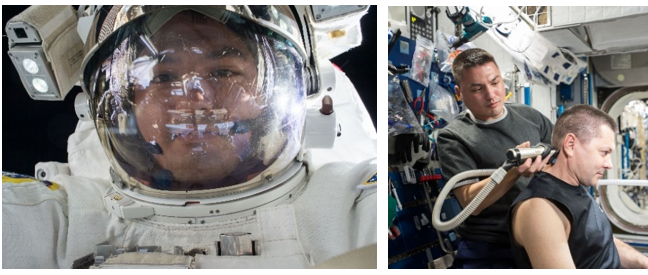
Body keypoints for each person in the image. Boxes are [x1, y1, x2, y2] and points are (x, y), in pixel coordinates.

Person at [2, 7, 376, 268]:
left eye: (225, 71)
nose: (194, 95)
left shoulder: (348, 209)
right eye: (162, 78)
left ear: (275, 92)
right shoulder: (63, 224)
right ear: (126, 108)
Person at [436, 48, 554, 268]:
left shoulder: (530, 117)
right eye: (477, 89)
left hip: (538, 233)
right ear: (459, 93)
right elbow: (471, 203)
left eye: (495, 82)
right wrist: (513, 171)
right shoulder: (453, 137)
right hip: (490, 246)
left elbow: (560, 159)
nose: (491, 95)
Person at [508, 105, 648, 269]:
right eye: (604, 152)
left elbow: (597, 240)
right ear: (570, 145)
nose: (609, 165)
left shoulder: (573, 187)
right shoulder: (541, 208)